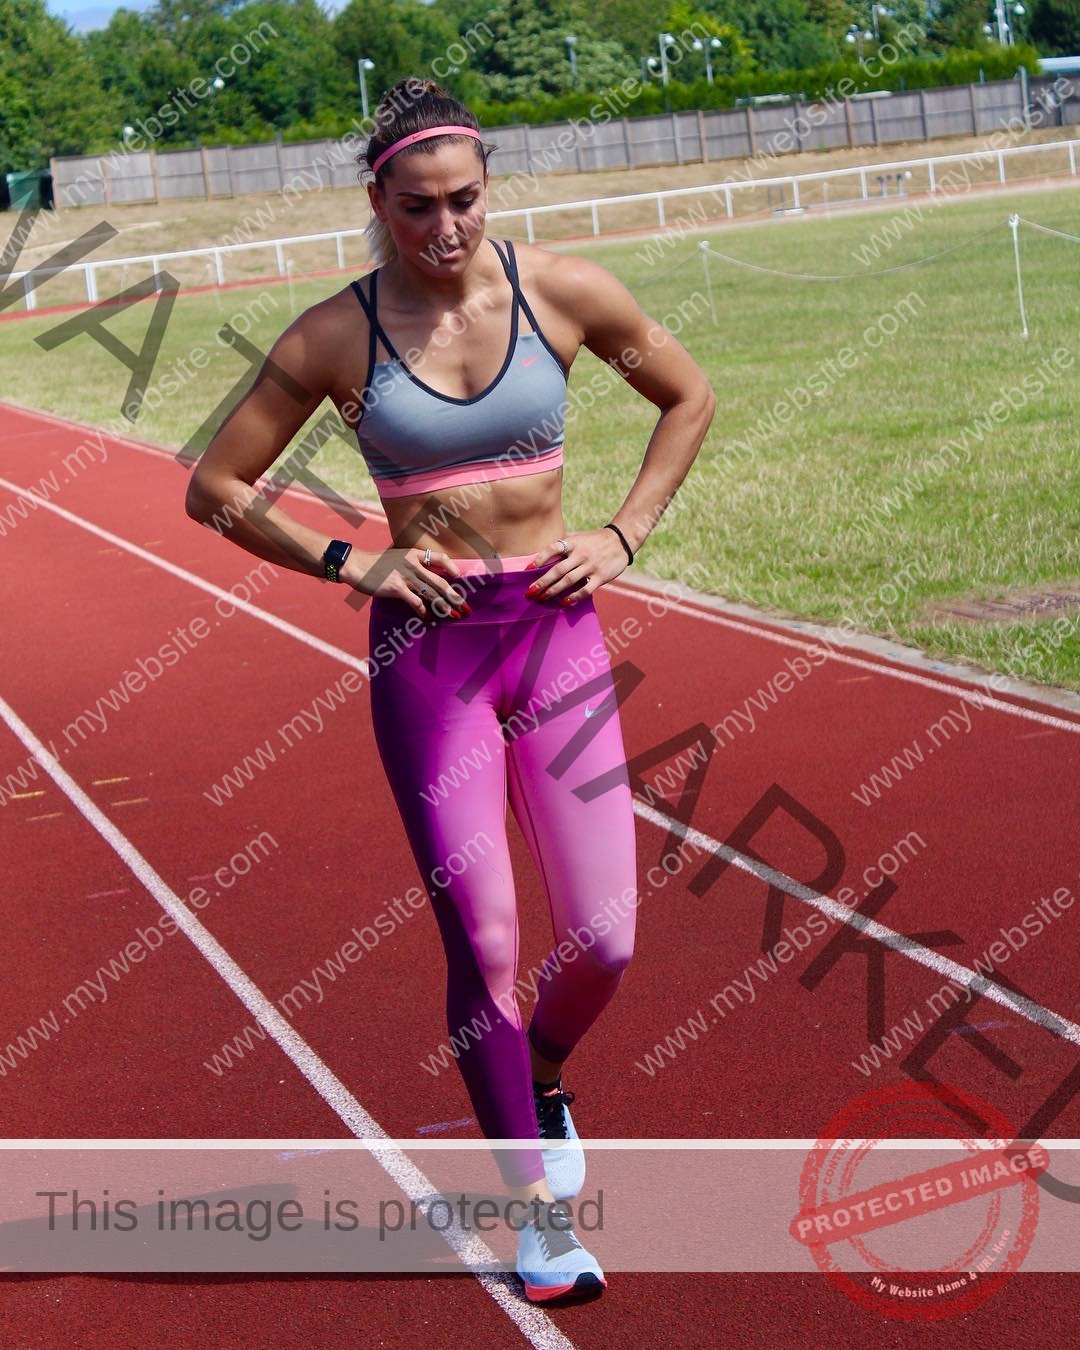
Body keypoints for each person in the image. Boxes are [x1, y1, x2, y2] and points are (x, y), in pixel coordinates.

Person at [186, 77, 715, 1303]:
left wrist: (627, 534)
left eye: (464, 201)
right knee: (482, 936)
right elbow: (216, 486)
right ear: (376, 200)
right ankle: (534, 1215)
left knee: (607, 938)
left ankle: (544, 1073)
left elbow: (687, 396)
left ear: (490, 187)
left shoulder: (567, 293)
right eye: (416, 207)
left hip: (557, 635)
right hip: (431, 659)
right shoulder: (334, 335)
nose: (444, 229)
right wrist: (351, 558)